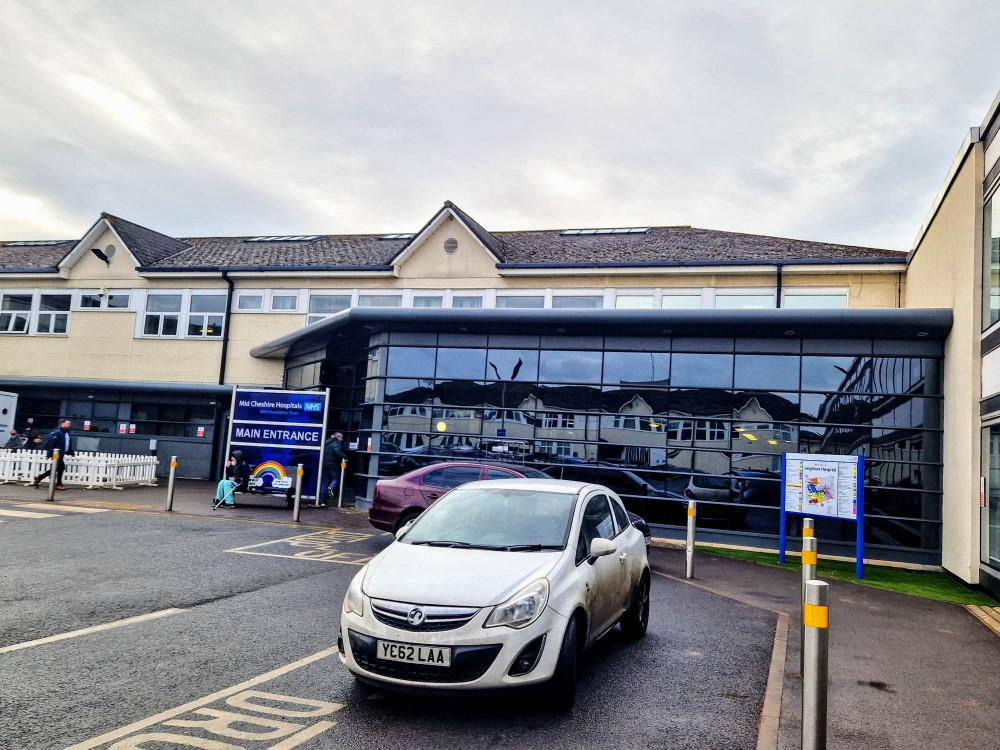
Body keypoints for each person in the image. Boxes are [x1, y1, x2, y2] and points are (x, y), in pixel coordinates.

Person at [33, 418, 74, 490]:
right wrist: (49, 454)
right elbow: (50, 443)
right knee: (59, 468)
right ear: (62, 424)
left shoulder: (66, 433)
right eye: (68, 424)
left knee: (57, 468)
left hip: (61, 453)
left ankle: (40, 478)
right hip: (56, 453)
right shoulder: (57, 432)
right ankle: (58, 484)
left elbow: (67, 444)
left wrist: (71, 452)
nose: (69, 425)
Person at [321, 431, 348, 505]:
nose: (342, 439)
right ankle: (331, 487)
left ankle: (323, 501)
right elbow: (338, 451)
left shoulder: (325, 442)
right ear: (338, 437)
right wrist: (345, 457)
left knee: (324, 483)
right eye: (341, 438)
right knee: (335, 479)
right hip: (332, 465)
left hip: (323, 465)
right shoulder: (336, 443)